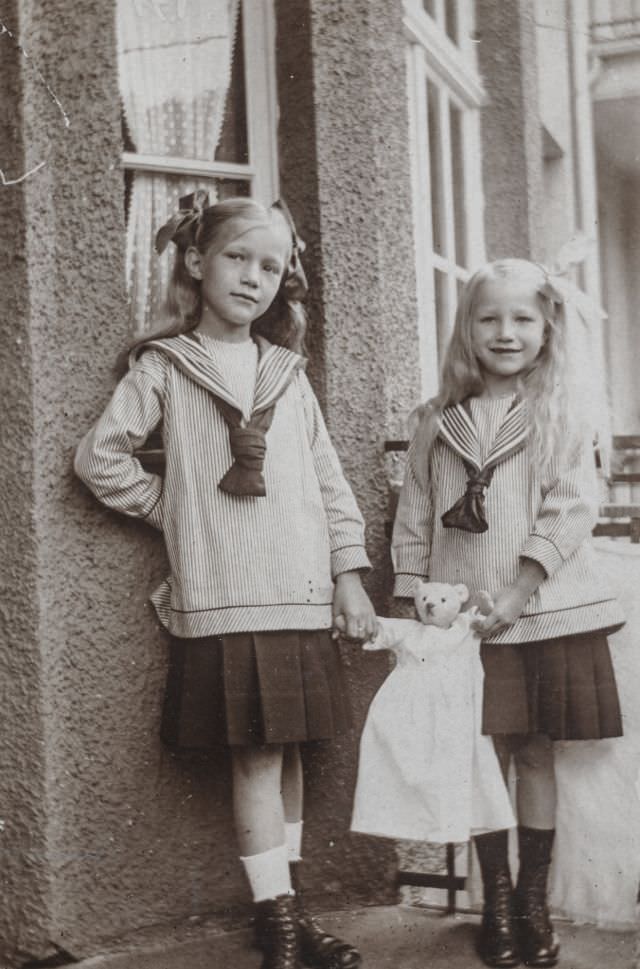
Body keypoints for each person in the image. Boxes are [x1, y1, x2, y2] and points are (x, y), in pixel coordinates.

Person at [75, 192, 377, 969]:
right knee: (254, 759)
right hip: (224, 595)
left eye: (271, 266)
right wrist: (175, 509)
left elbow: (329, 482)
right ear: (197, 262)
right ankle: (274, 921)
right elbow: (100, 458)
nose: (254, 277)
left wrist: (348, 574)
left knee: (294, 754)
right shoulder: (166, 368)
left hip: (300, 590)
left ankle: (292, 908)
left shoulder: (288, 374)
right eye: (239, 257)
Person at [391, 258, 624, 969]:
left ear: (547, 326)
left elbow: (571, 506)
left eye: (523, 317)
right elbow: (417, 512)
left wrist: (519, 589)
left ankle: (530, 899)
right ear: (468, 326)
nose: (506, 331)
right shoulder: (437, 420)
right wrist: (413, 604)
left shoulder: (560, 412)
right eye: (489, 317)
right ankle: (492, 897)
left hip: (539, 608)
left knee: (533, 752)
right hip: (464, 616)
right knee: (482, 757)